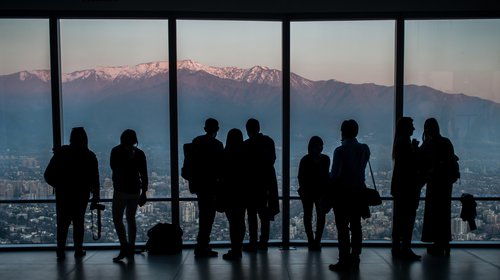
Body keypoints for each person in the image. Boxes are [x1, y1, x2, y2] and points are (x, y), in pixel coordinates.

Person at [44, 127, 100, 260]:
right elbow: (94, 178)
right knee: (78, 222)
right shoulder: (90, 156)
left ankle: (60, 249)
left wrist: (59, 185)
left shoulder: (61, 153)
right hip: (81, 194)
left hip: (64, 194)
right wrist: (95, 195)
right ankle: (78, 249)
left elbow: (47, 175)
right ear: (85, 139)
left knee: (63, 222)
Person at [329, 119, 370, 272]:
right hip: (359, 192)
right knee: (356, 225)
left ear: (343, 132)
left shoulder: (340, 151)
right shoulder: (364, 149)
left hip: (343, 194)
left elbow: (335, 176)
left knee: (342, 228)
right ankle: (355, 256)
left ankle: (343, 258)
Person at [420, 118, 456, 256]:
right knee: (443, 214)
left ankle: (438, 243)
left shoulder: (428, 144)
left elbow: (420, 159)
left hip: (435, 184)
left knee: (434, 213)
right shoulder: (446, 142)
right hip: (445, 185)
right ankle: (443, 242)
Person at [110, 129, 148, 261]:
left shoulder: (116, 151)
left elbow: (114, 168)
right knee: (130, 219)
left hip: (120, 190)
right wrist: (144, 192)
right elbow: (144, 174)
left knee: (117, 218)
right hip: (135, 190)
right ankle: (130, 246)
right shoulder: (140, 154)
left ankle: (124, 246)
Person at [242, 118, 280, 252]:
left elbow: (244, 166)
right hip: (266, 184)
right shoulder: (268, 142)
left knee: (251, 215)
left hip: (250, 186)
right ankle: (263, 242)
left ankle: (253, 242)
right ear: (258, 128)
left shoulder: (245, 145)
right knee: (264, 215)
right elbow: (272, 160)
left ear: (248, 130)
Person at [190, 118, 223, 258]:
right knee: (208, 217)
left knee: (203, 215)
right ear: (217, 129)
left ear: (205, 129)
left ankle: (201, 245)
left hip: (199, 185)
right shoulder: (217, 145)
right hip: (212, 186)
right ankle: (203, 246)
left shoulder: (196, 142)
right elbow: (221, 167)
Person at [391, 117, 422, 260]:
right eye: (411, 126)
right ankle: (405, 249)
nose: (414, 129)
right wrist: (415, 151)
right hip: (407, 188)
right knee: (408, 219)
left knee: (399, 219)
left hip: (399, 187)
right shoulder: (404, 143)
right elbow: (411, 165)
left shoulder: (399, 142)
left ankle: (397, 248)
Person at [298, 136, 330, 251]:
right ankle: (315, 241)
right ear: (312, 147)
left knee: (309, 216)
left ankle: (312, 241)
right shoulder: (325, 159)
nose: (320, 148)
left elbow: (301, 177)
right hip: (319, 192)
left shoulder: (305, 160)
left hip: (309, 192)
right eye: (318, 145)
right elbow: (326, 176)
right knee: (318, 216)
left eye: (321, 145)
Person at [220, 128, 246, 260]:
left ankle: (235, 249)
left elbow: (220, 175)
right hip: (242, 193)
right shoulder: (245, 154)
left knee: (233, 222)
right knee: (240, 221)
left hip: (228, 193)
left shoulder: (225, 154)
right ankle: (238, 247)